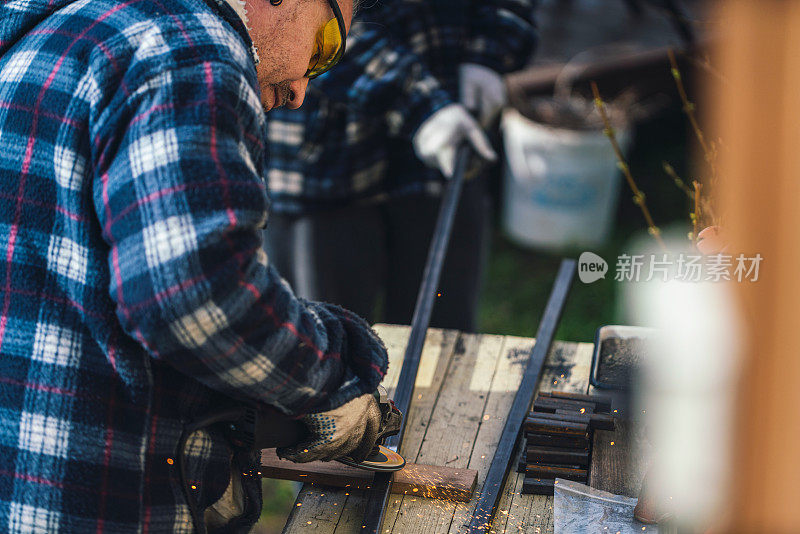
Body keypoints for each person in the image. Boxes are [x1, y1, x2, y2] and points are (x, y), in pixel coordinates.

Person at [0, 0, 389, 530]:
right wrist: (333, 377)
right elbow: (193, 298)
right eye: (323, 47)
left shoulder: (53, 34)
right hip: (90, 508)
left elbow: (76, 297)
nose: (301, 88)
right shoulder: (188, 50)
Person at [264, 0, 537, 331]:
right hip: (324, 148)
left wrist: (489, 48)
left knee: (440, 333)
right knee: (318, 335)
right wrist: (416, 100)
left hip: (447, 122)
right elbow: (296, 20)